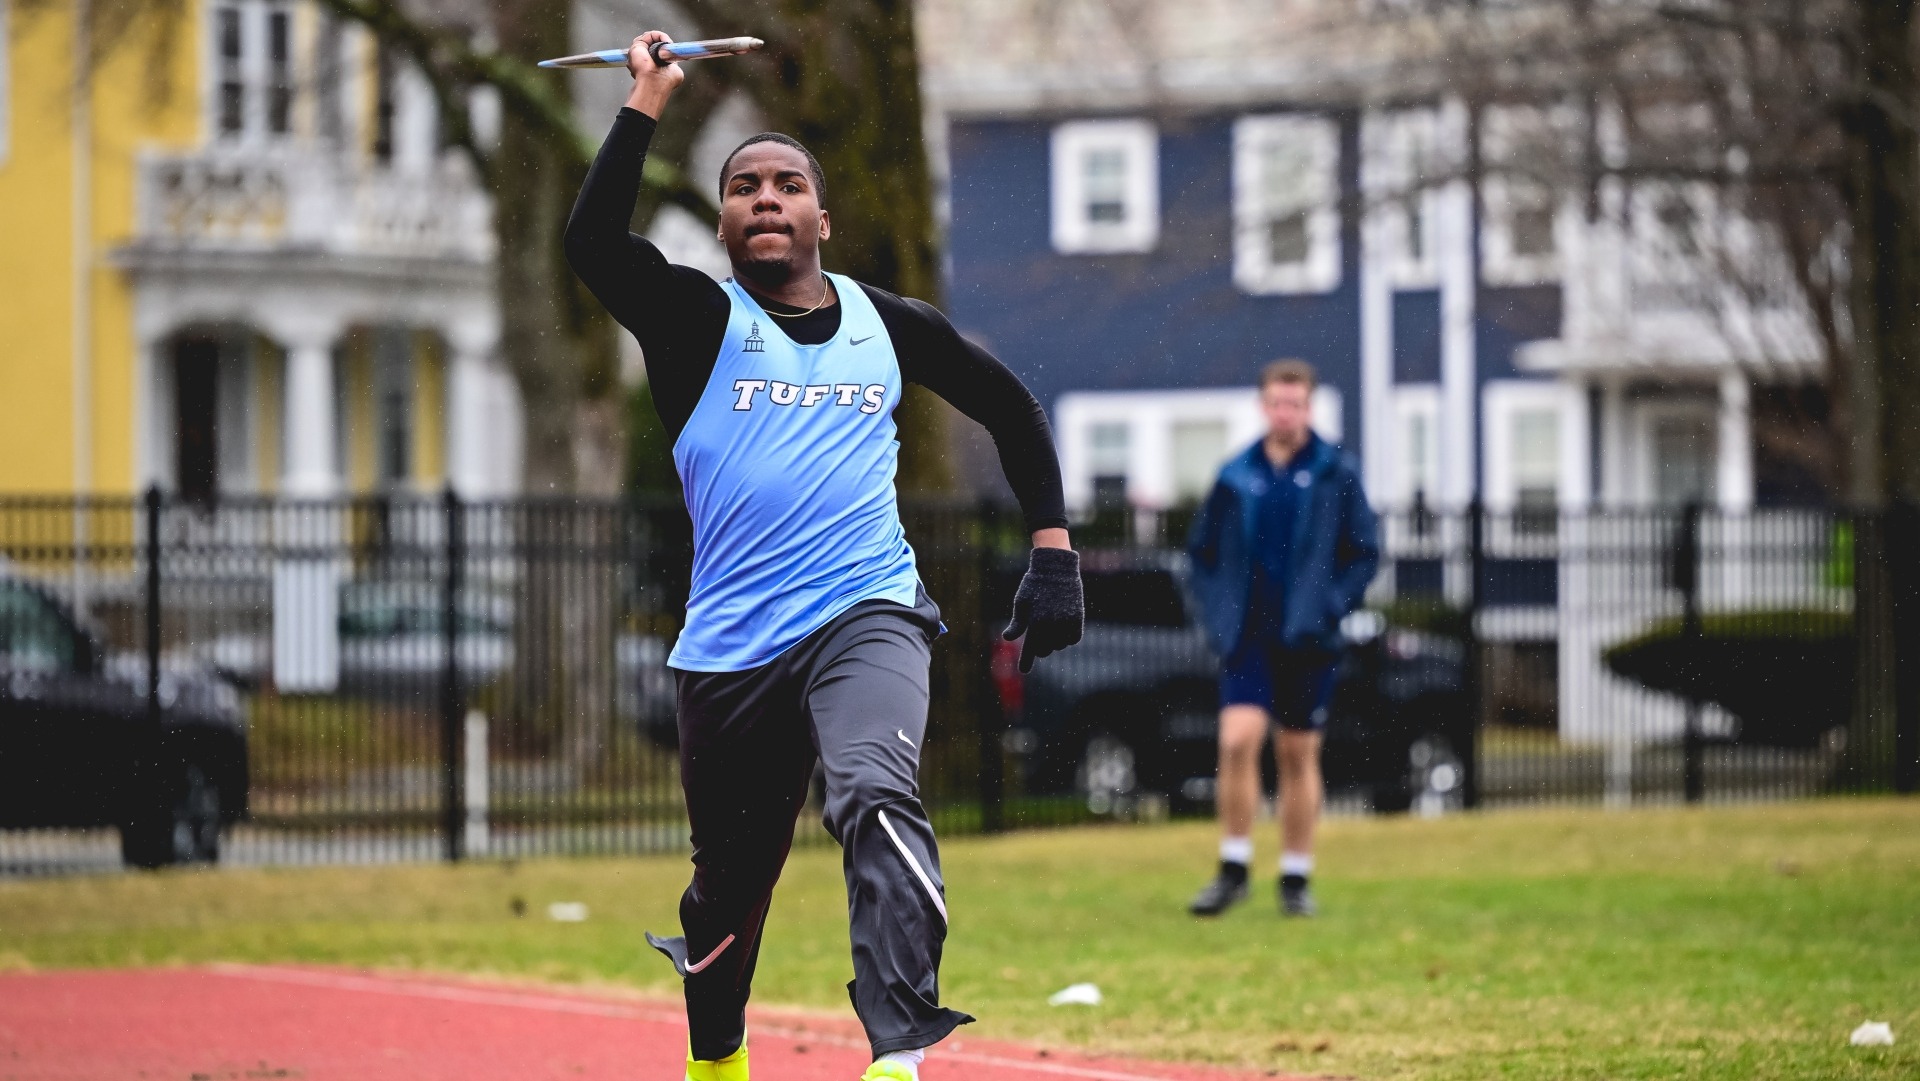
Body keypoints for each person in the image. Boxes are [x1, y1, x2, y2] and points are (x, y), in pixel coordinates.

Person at [563, 31, 1085, 1081]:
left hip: (868, 612)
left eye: (787, 184)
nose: (765, 197)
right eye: (744, 186)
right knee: (728, 890)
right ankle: (718, 1060)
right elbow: (590, 245)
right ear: (721, 219)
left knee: (874, 790)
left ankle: (898, 1052)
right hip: (731, 649)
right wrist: (647, 102)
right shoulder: (693, 317)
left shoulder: (888, 326)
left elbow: (1010, 404)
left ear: (821, 219)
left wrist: (1053, 548)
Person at [1183, 360, 1379, 918]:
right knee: (1238, 740)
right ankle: (1234, 867)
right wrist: (1216, 613)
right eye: (1276, 402)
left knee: (1297, 751)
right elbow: (1201, 555)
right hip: (1247, 634)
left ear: (1308, 407)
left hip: (1309, 637)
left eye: (1295, 403)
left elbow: (1363, 552)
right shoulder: (1236, 474)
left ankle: (1295, 876)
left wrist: (1331, 606)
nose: (1284, 412)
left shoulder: (1335, 472)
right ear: (1263, 406)